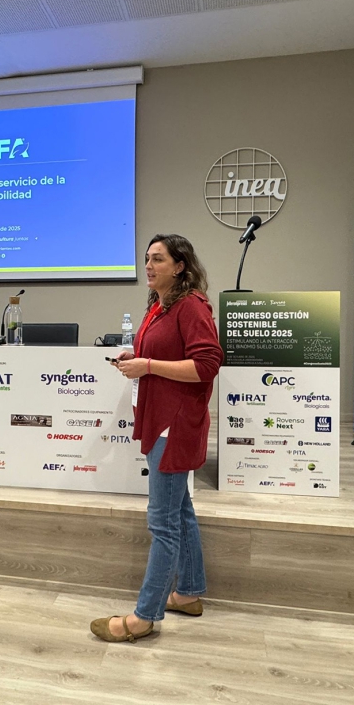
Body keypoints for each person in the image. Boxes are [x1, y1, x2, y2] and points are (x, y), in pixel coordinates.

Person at [91, 234, 223, 643]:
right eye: (147, 259)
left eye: (158, 259)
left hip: (176, 423)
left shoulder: (191, 305)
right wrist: (138, 359)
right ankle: (187, 593)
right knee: (180, 510)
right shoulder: (159, 306)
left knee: (162, 522)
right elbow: (161, 358)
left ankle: (143, 618)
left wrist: (148, 365)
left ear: (180, 266)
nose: (148, 266)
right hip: (161, 418)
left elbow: (206, 364)